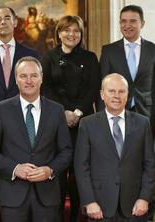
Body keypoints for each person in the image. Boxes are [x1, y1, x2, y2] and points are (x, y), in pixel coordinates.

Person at [0, 56, 72, 222]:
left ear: (42, 78)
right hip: (12, 195)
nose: (29, 80)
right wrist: (14, 168)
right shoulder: (1, 110)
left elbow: (66, 151)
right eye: (23, 76)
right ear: (16, 79)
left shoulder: (56, 110)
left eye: (34, 75)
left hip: (47, 196)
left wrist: (50, 170)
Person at [40, 15, 100, 222]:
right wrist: (63, 112)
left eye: (76, 31)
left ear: (81, 34)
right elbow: (45, 88)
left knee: (79, 174)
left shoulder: (90, 57)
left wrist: (77, 113)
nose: (71, 34)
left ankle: (76, 217)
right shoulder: (47, 57)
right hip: (57, 123)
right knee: (57, 175)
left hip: (83, 123)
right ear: (59, 33)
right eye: (67, 30)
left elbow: (93, 88)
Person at [75, 73, 155, 222]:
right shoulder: (87, 124)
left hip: (134, 206)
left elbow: (150, 165)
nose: (116, 96)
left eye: (121, 91)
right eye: (111, 91)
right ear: (102, 94)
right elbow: (81, 166)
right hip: (99, 206)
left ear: (127, 95)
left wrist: (144, 198)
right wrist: (89, 201)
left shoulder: (142, 123)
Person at [98, 5, 155, 134]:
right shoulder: (108, 51)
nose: (127, 25)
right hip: (116, 112)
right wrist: (102, 116)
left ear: (142, 23)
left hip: (147, 114)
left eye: (132, 21)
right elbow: (102, 85)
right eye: (123, 21)